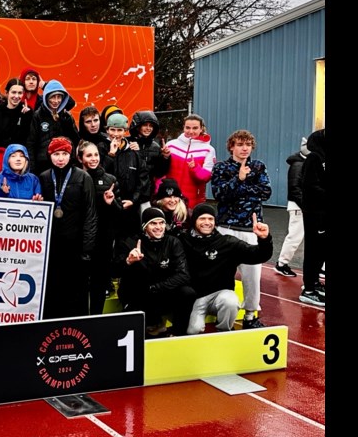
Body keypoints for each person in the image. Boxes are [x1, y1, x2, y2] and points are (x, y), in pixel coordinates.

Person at [210, 129, 272, 328]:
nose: (244, 148)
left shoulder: (258, 166)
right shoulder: (221, 168)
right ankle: (219, 311)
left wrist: (239, 187)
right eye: (239, 144)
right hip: (226, 228)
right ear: (231, 147)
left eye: (247, 144)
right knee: (221, 271)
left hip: (250, 230)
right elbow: (220, 194)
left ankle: (251, 315)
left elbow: (266, 192)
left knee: (252, 275)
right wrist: (239, 179)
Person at [178, 205, 272, 335]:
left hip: (220, 295)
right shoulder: (182, 241)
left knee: (231, 301)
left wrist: (264, 239)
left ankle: (224, 332)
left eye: (210, 219)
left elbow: (258, 255)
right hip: (196, 299)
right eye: (202, 219)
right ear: (194, 221)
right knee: (193, 330)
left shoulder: (227, 243)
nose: (207, 222)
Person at [114, 207, 195, 338]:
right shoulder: (131, 242)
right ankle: (149, 326)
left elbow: (183, 274)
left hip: (161, 290)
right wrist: (128, 261)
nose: (158, 227)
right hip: (138, 293)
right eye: (153, 223)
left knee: (187, 293)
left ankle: (178, 334)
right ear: (145, 226)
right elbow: (114, 271)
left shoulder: (173, 242)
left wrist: (156, 287)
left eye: (161, 223)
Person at [39, 137, 97, 319]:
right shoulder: (44, 177)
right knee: (53, 290)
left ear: (70, 155)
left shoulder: (82, 177)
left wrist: (87, 248)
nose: (60, 158)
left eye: (64, 154)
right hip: (52, 246)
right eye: (56, 154)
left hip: (76, 245)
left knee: (76, 292)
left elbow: (90, 214)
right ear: (50, 156)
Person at [78, 140, 122, 315]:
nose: (94, 158)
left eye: (96, 154)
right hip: (81, 240)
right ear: (80, 158)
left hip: (103, 241)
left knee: (99, 284)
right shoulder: (75, 178)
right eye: (89, 155)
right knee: (80, 284)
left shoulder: (110, 180)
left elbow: (119, 213)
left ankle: (96, 319)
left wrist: (110, 203)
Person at [100, 112, 147, 240]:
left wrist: (133, 200)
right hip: (107, 206)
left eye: (119, 130)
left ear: (125, 131)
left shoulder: (134, 152)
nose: (116, 134)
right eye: (112, 130)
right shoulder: (101, 148)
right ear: (107, 130)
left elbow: (142, 179)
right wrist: (110, 154)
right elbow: (99, 173)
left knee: (128, 242)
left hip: (129, 207)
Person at [161, 114, 217, 209]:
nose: (191, 131)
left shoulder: (208, 149)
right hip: (170, 197)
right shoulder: (171, 145)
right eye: (187, 128)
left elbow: (206, 177)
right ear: (183, 128)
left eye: (195, 128)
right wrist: (165, 157)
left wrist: (195, 168)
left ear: (201, 129)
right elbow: (161, 171)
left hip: (194, 201)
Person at [27, 79, 80, 174]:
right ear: (46, 97)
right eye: (53, 97)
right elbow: (31, 143)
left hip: (65, 162)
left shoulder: (66, 116)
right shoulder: (37, 116)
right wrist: (32, 168)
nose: (56, 101)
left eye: (59, 97)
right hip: (44, 164)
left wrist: (67, 122)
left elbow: (75, 140)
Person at [299, 128, 326, 306]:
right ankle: (308, 289)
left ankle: (315, 283)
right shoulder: (314, 158)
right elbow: (309, 186)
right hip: (314, 212)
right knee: (313, 250)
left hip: (323, 212)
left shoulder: (322, 159)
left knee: (322, 250)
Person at [275, 137, 309, 277]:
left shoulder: (305, 163)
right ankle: (282, 263)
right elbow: (295, 189)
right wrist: (306, 206)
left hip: (304, 206)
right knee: (295, 236)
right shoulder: (298, 165)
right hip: (298, 207)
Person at [0, 77, 34, 166]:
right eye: (13, 92)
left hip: (19, 162)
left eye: (20, 93)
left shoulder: (28, 112)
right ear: (7, 93)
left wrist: (25, 117)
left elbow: (28, 139)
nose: (16, 96)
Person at [129, 110, 171, 209]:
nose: (148, 128)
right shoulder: (127, 142)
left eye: (151, 126)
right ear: (138, 126)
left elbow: (159, 173)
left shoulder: (156, 147)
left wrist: (165, 157)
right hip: (128, 192)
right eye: (145, 125)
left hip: (146, 194)